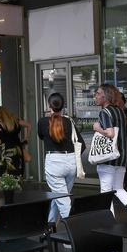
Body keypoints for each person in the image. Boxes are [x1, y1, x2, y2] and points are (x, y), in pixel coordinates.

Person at [38, 93, 85, 223]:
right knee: (59, 196)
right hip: (70, 162)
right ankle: (50, 227)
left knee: (63, 201)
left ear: (49, 105)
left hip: (54, 163)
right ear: (63, 106)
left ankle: (73, 237)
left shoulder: (42, 122)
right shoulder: (69, 121)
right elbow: (82, 144)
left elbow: (42, 136)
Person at [93, 84, 127, 211]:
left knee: (106, 192)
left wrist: (97, 128)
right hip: (121, 158)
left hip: (108, 158)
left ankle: (109, 223)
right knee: (119, 189)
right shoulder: (120, 111)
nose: (96, 96)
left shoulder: (105, 112)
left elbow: (110, 133)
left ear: (106, 96)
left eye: (98, 93)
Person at [0, 106, 31, 177]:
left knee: (7, 170)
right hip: (18, 148)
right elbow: (29, 125)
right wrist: (26, 138)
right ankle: (18, 183)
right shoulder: (15, 120)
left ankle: (8, 185)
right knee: (18, 167)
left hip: (7, 150)